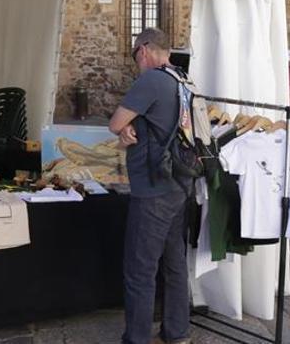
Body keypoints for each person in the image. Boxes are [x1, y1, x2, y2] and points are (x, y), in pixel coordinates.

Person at [109, 28, 190, 344]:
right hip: (179, 184)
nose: (136, 61)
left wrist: (123, 126)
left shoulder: (151, 80)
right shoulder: (181, 79)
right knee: (174, 265)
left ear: (144, 49)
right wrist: (133, 124)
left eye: (134, 54)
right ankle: (177, 332)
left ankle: (137, 339)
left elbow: (115, 122)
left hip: (153, 187)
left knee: (139, 271)